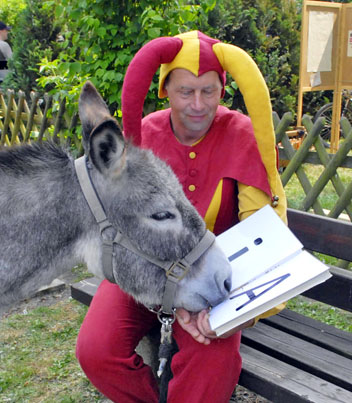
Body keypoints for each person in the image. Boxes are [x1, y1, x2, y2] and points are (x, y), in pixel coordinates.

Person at [75, 31, 288, 403]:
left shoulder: (243, 134)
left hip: (214, 280)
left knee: (212, 364)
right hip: (147, 269)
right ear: (165, 90)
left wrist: (231, 309)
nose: (198, 104)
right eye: (185, 91)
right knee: (95, 351)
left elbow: (264, 231)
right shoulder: (144, 136)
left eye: (209, 91)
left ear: (222, 91)